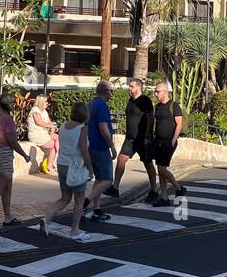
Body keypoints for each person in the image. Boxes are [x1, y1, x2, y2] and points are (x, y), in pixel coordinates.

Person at [38, 101, 96, 243]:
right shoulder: (82, 129)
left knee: (64, 197)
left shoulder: (64, 125)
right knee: (79, 200)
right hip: (75, 166)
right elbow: (83, 149)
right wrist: (90, 167)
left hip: (62, 165)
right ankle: (75, 231)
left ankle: (47, 218)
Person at [113, 77, 157, 200]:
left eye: (131, 87)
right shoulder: (131, 101)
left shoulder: (145, 101)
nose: (129, 89)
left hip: (143, 139)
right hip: (130, 139)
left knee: (148, 164)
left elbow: (150, 119)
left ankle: (154, 190)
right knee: (121, 159)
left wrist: (147, 137)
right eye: (129, 86)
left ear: (138, 87)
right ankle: (115, 187)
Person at [0, 97, 27, 226]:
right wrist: (24, 155)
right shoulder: (7, 119)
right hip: (4, 152)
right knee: (0, 187)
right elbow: (12, 140)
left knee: (6, 186)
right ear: (7, 104)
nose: (13, 104)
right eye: (12, 102)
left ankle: (8, 216)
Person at [150, 80, 187, 204]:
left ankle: (178, 187)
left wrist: (173, 140)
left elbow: (179, 124)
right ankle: (164, 198)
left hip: (168, 142)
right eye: (155, 91)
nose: (155, 94)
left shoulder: (174, 106)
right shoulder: (158, 107)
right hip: (158, 141)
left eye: (158, 91)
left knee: (162, 168)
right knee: (160, 170)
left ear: (165, 92)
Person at [83, 81, 115, 221]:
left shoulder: (91, 104)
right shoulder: (102, 105)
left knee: (99, 179)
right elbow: (103, 128)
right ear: (106, 91)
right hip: (101, 147)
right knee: (107, 180)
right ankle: (87, 201)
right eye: (111, 91)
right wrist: (111, 146)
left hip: (91, 146)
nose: (112, 94)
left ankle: (97, 209)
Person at [27, 94, 58, 174]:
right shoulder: (35, 110)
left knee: (57, 137)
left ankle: (57, 155)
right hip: (37, 135)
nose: (47, 103)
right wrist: (49, 126)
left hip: (43, 133)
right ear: (41, 102)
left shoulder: (44, 111)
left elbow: (48, 122)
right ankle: (49, 165)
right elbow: (39, 122)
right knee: (52, 146)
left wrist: (52, 127)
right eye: (46, 102)